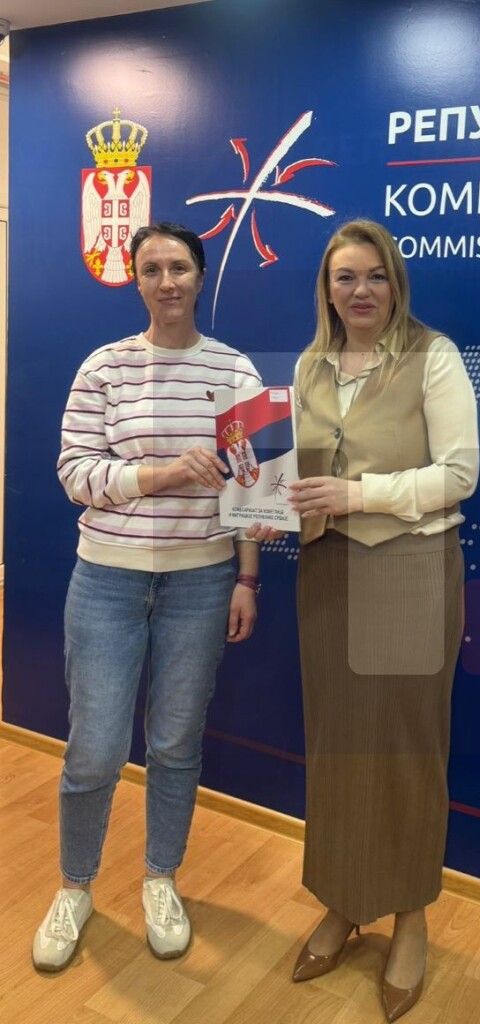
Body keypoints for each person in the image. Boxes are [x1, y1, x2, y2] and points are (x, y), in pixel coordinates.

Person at [248, 219, 479, 1021]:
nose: (360, 291)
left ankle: (410, 917)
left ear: (395, 283)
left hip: (410, 567)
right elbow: (305, 473)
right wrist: (269, 508)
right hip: (328, 572)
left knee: (407, 751)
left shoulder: (433, 356)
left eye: (375, 276)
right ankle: (344, 902)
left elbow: (459, 473)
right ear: (326, 288)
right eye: (345, 277)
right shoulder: (309, 364)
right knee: (338, 748)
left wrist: (360, 495)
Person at [32, 223, 262, 972]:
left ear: (200, 276)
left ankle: (161, 879)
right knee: (95, 749)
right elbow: (76, 474)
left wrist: (248, 577)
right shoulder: (104, 367)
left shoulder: (234, 371)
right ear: (135, 280)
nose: (167, 281)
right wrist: (162, 475)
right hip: (107, 577)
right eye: (152, 269)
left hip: (203, 582)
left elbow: (251, 485)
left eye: (180, 267)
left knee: (174, 744)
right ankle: (75, 887)